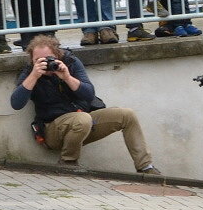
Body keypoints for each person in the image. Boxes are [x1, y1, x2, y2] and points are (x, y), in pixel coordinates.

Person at [10, 35, 160, 173]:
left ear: (57, 55)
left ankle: (145, 167)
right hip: (53, 130)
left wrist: (67, 77)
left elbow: (89, 94)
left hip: (83, 122)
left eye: (49, 59)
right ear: (32, 60)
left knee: (127, 115)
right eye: (38, 60)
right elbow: (16, 103)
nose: (45, 64)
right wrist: (34, 75)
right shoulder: (29, 73)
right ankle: (68, 163)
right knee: (82, 119)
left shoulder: (71, 63)